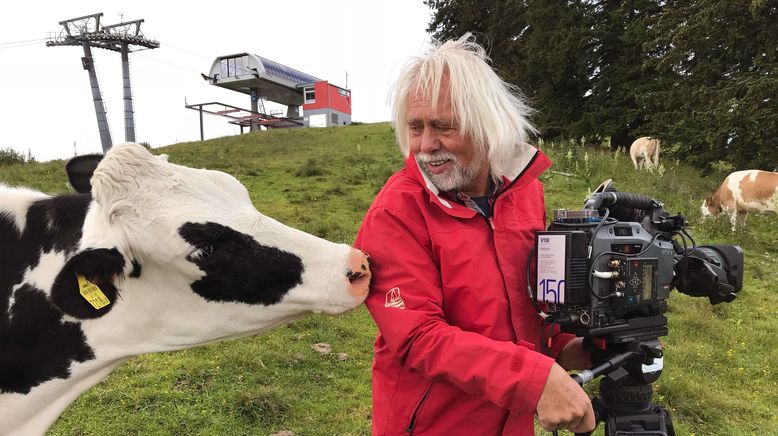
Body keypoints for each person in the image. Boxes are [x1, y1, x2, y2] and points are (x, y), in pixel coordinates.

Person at [354, 33, 596, 435]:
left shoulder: (525, 193)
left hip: (513, 421)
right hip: (435, 425)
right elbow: (418, 337)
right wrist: (535, 380)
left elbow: (532, 302)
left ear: (488, 125)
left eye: (443, 127)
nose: (426, 146)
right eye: (416, 128)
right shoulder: (395, 212)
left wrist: (567, 346)